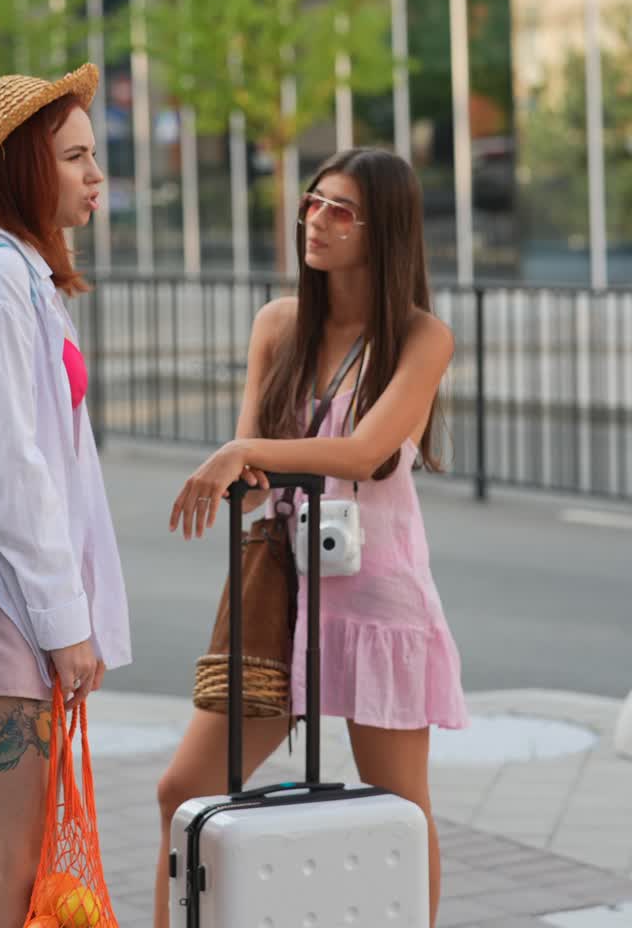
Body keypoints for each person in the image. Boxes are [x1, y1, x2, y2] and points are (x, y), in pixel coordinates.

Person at [156, 147, 466, 928]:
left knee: (400, 811)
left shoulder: (422, 338)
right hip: (285, 594)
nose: (316, 221)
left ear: (383, 231)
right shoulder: (279, 324)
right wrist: (244, 464)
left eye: (340, 211)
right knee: (183, 791)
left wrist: (249, 452)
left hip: (378, 597)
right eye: (312, 202)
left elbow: (368, 452)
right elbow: (248, 459)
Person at [0, 67, 131, 928]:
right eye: (74, 156)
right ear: (22, 169)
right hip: (8, 604)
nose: (94, 174)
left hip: (1, 603)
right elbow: (13, 476)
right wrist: (65, 626)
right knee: (13, 863)